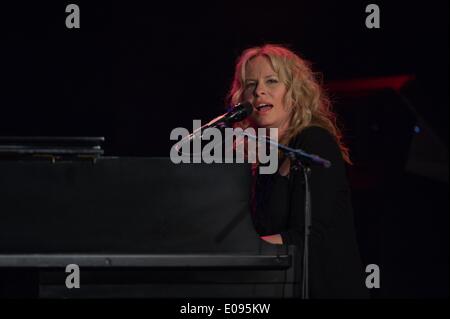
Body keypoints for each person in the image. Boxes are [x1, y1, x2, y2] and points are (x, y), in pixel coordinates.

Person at [227, 44, 369, 298]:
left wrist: (238, 248)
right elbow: (265, 227)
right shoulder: (264, 155)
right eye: (250, 84)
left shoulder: (314, 141)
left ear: (295, 92)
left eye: (271, 81)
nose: (259, 90)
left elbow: (310, 238)